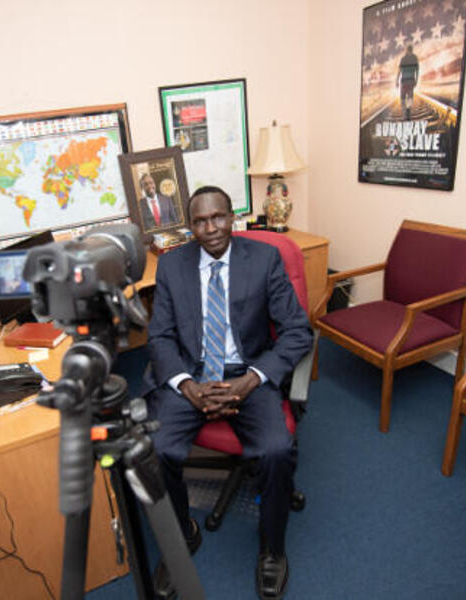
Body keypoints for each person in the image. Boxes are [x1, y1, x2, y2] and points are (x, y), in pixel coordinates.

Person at [144, 186, 313, 599]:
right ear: (190, 227)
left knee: (275, 450)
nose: (211, 228)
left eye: (218, 217)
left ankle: (272, 548)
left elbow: (297, 331)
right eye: (200, 221)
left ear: (231, 217)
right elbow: (161, 337)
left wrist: (252, 379)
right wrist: (186, 385)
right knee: (156, 448)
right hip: (193, 372)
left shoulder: (264, 259)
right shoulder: (171, 267)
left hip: (247, 373)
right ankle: (182, 533)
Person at [397, 44, 419, 120]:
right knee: (410, 97)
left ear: (407, 50)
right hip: (411, 81)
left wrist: (397, 80)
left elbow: (399, 71)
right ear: (412, 50)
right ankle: (408, 110)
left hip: (404, 81)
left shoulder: (403, 59)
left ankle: (404, 114)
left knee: (402, 97)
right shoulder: (415, 58)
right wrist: (416, 80)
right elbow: (417, 70)